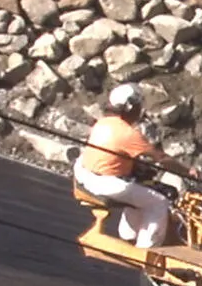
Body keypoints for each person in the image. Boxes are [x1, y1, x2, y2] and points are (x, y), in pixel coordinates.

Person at [72, 83, 190, 248]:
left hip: (85, 175)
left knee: (140, 189)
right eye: (139, 106)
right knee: (159, 201)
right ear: (131, 108)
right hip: (104, 183)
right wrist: (188, 171)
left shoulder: (103, 123)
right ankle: (147, 248)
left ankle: (129, 235)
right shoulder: (128, 133)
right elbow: (161, 158)